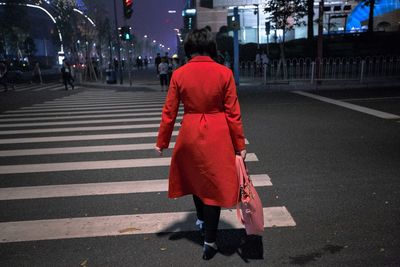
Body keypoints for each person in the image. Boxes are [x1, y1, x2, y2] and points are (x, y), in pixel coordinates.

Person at [155, 28, 247, 260]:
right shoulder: (224, 73)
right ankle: (210, 241)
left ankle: (201, 218)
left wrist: (162, 141)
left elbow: (170, 111)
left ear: (189, 49)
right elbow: (233, 113)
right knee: (212, 188)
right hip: (218, 134)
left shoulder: (179, 74)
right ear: (212, 48)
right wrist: (240, 144)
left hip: (190, 132)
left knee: (196, 180)